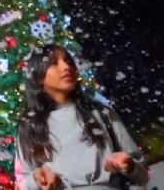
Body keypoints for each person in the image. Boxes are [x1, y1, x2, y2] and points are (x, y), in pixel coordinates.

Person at [15, 44, 149, 189]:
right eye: (54, 63)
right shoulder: (30, 126)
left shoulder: (101, 113)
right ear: (38, 76)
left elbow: (142, 176)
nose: (66, 67)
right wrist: (37, 180)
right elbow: (22, 183)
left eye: (68, 61)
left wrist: (129, 166)